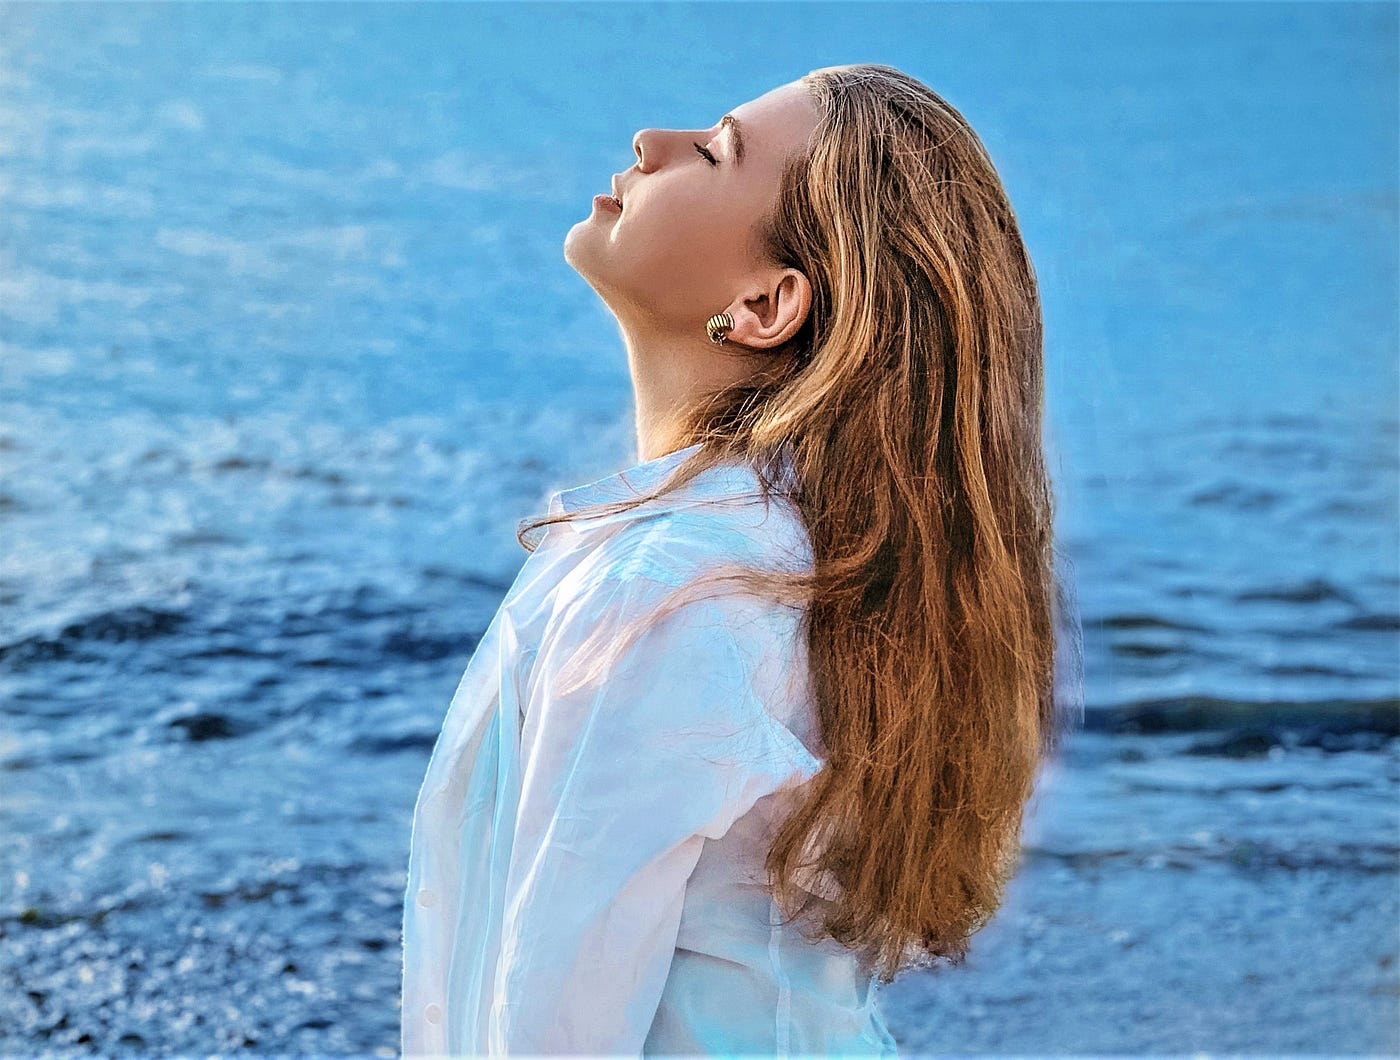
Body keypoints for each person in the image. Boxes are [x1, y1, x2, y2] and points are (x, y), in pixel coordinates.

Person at [401, 62, 1080, 1057]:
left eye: (714, 153)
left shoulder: (673, 591)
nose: (649, 141)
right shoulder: (799, 568)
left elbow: (552, 1023)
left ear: (765, 303)